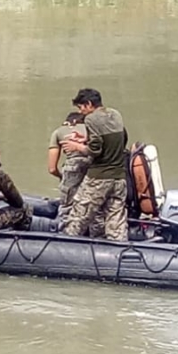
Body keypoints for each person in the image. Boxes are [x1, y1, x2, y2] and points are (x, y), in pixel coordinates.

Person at [60, 88, 129, 241]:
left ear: (89, 104)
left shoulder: (91, 119)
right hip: (119, 178)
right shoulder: (116, 115)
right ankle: (118, 252)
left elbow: (95, 150)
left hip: (98, 178)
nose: (81, 111)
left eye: (81, 107)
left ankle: (66, 247)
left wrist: (77, 146)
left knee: (78, 217)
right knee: (116, 219)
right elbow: (121, 139)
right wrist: (85, 138)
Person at [47, 111, 90, 230]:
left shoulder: (58, 132)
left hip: (73, 168)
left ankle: (65, 235)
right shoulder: (91, 129)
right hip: (94, 167)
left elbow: (51, 168)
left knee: (67, 207)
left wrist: (61, 177)